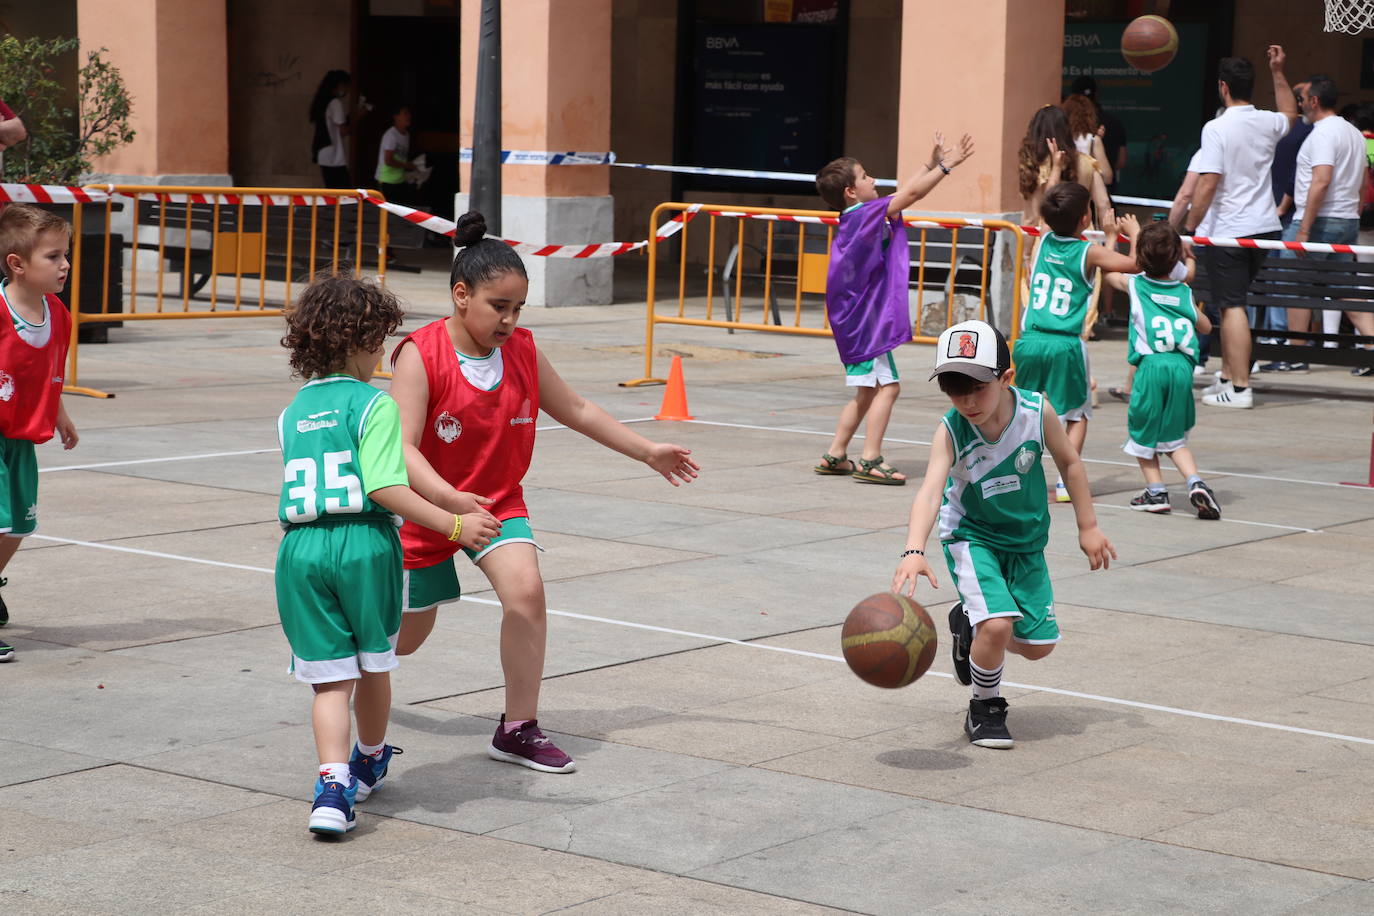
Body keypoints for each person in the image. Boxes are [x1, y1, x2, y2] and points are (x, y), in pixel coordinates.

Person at [388, 211, 699, 774]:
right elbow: (404, 450)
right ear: (461, 295)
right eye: (497, 306)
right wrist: (451, 501)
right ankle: (344, 668)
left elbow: (577, 409)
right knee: (407, 639)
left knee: (526, 593)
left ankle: (517, 728)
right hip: (428, 510)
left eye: (517, 309)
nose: (508, 320)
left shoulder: (523, 351)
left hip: (499, 501)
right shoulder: (420, 354)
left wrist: (647, 451)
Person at [276, 274, 502, 835]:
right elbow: (384, 487)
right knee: (372, 662)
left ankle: (331, 787)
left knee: (329, 679)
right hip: (364, 545)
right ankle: (371, 755)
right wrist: (454, 523)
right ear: (357, 342)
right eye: (379, 340)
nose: (382, 352)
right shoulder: (374, 406)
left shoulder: (292, 412)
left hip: (300, 549)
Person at [891, 320, 1115, 749]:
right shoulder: (952, 430)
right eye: (955, 389)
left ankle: (967, 627)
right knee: (996, 625)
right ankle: (985, 706)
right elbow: (930, 491)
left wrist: (1088, 526)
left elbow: (1070, 463)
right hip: (972, 536)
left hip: (1026, 540)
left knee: (1038, 646)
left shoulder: (1036, 411)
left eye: (978, 386)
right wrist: (914, 549)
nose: (967, 400)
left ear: (1006, 378)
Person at [812, 132, 976, 484]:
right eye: (866, 176)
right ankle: (870, 458)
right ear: (850, 191)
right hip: (865, 323)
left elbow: (901, 195)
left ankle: (836, 453)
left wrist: (929, 163)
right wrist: (947, 166)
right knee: (889, 388)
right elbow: (910, 196)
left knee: (867, 390)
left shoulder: (856, 215)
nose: (873, 180)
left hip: (855, 320)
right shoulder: (865, 215)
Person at [1183, 47, 1298, 409]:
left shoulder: (1216, 127)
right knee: (1233, 304)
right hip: (1265, 228)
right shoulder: (1267, 121)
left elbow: (1208, 182)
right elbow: (1290, 114)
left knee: (1231, 306)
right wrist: (1279, 71)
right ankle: (1228, 377)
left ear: (1223, 87)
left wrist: (1189, 228)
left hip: (1230, 230)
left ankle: (1241, 387)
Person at [1015, 182, 1140, 502]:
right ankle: (1064, 482)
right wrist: (1133, 234)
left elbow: (1048, 208)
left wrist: (1055, 172)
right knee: (1076, 416)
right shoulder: (1088, 251)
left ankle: (1013, 474)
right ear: (1085, 219)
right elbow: (1134, 265)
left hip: (1029, 341)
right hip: (1065, 344)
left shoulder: (1042, 240)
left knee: (1021, 412)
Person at [0, 204, 79, 663]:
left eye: (65, 255)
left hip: (24, 437)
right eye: (53, 257)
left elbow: (50, 371)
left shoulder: (58, 314)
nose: (65, 264)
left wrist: (60, 412)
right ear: (17, 263)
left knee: (18, 527)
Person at [1103, 223, 1220, 518]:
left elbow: (1108, 272)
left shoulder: (1136, 284)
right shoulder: (1183, 291)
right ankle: (1195, 482)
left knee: (1144, 432)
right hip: (1182, 368)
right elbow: (1206, 326)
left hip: (1152, 366)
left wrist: (1116, 237)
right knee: (1173, 436)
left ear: (1140, 259)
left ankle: (1156, 492)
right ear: (1177, 258)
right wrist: (1190, 260)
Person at [1266, 76, 1367, 374]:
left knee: (1294, 287)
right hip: (1346, 220)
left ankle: (1295, 355)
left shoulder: (1323, 135)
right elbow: (1362, 183)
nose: (1298, 105)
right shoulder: (1353, 133)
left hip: (1319, 222)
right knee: (1345, 290)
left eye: (1302, 99)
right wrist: (1354, 213)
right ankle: (1372, 349)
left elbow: (1321, 181)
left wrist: (1305, 229)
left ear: (1314, 101)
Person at [1070, 75, 1127, 191]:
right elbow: (1120, 162)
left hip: (1074, 193)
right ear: (1096, 95)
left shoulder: (1063, 130)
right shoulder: (1113, 123)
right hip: (1102, 191)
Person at [310, 70, 353, 189]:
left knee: (332, 189)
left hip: (323, 151)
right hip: (333, 154)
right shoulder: (335, 103)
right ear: (340, 85)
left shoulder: (323, 102)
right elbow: (343, 130)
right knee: (343, 191)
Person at [1062, 93, 1113, 186]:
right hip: (1083, 194)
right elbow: (1107, 177)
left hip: (1062, 194)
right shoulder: (1093, 140)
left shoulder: (1059, 138)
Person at [375, 104, 416, 204]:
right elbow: (388, 160)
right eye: (405, 114)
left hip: (399, 180)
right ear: (396, 117)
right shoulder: (391, 135)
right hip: (386, 180)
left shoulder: (406, 135)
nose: (408, 116)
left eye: (408, 113)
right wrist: (407, 165)